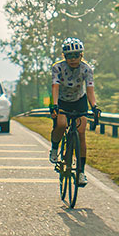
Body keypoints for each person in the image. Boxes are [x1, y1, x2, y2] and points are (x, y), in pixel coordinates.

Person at [48, 37, 100, 187]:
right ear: (64, 56)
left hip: (79, 101)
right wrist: (55, 105)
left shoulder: (87, 69)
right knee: (62, 124)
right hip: (62, 100)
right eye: (69, 56)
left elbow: (90, 89)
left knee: (81, 133)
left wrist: (94, 106)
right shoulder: (57, 67)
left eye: (76, 55)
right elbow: (55, 87)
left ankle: (81, 172)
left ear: (81, 55)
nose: (72, 59)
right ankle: (54, 148)